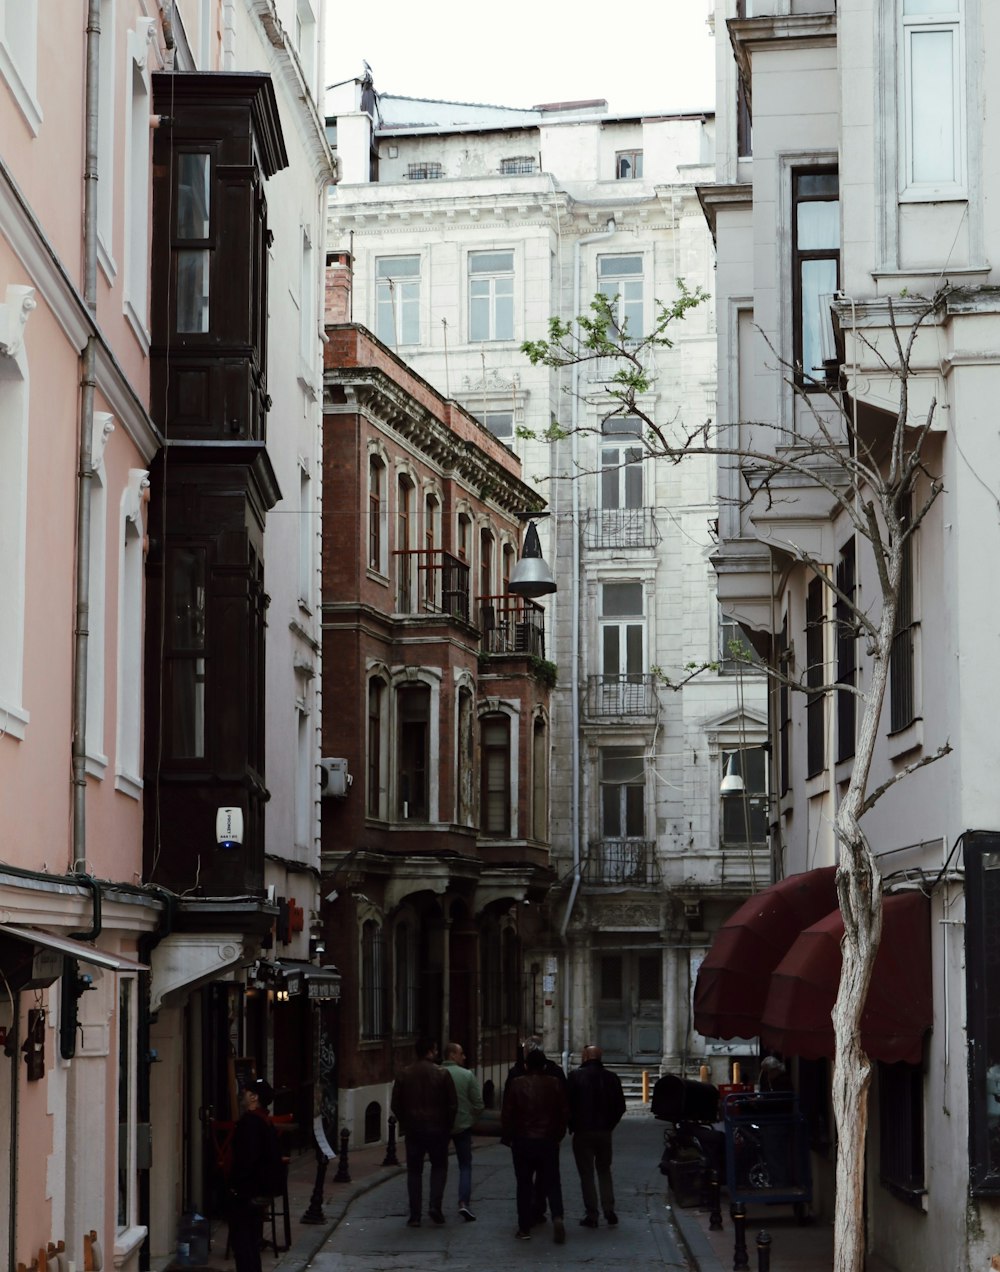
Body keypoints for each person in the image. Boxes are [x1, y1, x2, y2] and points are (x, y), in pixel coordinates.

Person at [501, 1045, 569, 1243]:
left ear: (527, 1065)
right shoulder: (555, 1083)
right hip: (548, 1140)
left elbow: (507, 1113)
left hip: (523, 1141)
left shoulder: (516, 1084)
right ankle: (557, 1215)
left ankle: (524, 1227)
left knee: (524, 1184)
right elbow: (564, 1112)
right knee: (552, 1181)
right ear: (544, 1066)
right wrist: (558, 1134)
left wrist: (509, 1136)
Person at [390, 1036, 458, 1228]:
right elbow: (453, 1104)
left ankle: (415, 1215)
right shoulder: (442, 1074)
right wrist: (448, 1126)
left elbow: (395, 1103)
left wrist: (406, 1121)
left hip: (414, 1129)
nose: (437, 1053)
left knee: (414, 1171)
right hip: (437, 1129)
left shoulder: (404, 1074)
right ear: (431, 1051)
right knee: (439, 1167)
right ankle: (435, 1205)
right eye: (435, 1050)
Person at [227, 1077, 284, 1272]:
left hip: (247, 1192)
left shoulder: (250, 1123)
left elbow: (247, 1159)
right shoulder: (264, 1121)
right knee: (250, 1240)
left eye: (245, 1091)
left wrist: (235, 1187)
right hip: (257, 1190)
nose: (241, 1094)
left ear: (254, 1097)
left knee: (243, 1243)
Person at [567, 1044, 626, 1228]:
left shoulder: (575, 1077)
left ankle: (592, 1214)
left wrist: (572, 1125)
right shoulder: (611, 1078)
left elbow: (567, 1105)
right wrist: (610, 1125)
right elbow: (620, 1106)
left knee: (586, 1174)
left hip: (583, 1132)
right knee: (604, 1170)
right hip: (604, 1132)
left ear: (585, 1057)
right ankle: (609, 1209)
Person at [442, 1041, 485, 1221]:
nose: (464, 1057)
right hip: (463, 1125)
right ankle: (463, 1203)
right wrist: (471, 1120)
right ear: (452, 1055)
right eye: (461, 1053)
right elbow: (478, 1104)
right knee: (465, 1166)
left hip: (441, 1126)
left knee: (439, 1166)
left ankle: (434, 1204)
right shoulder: (467, 1075)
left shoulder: (437, 1073)